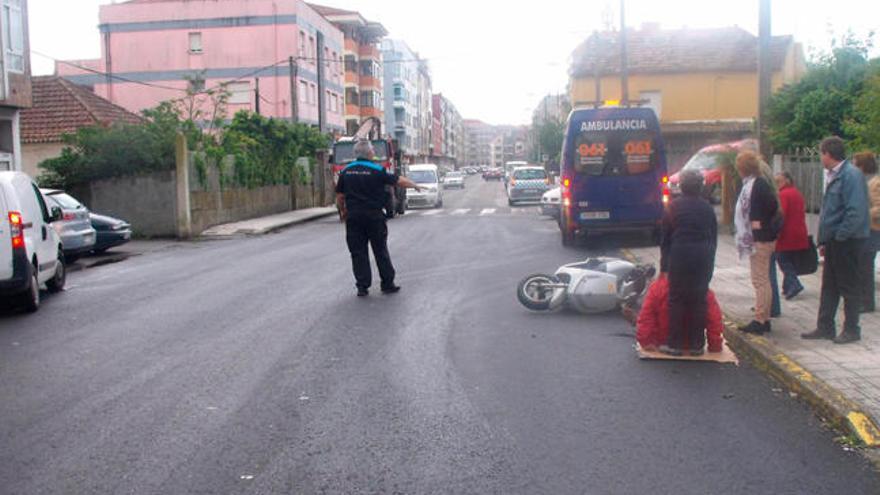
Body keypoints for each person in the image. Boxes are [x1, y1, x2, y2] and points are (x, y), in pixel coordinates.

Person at [802, 137, 870, 344]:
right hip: (834, 240)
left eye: (821, 153)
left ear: (828, 154)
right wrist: (825, 239)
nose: (821, 157)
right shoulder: (835, 175)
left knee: (849, 285)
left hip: (847, 241)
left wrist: (840, 235)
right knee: (829, 285)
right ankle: (825, 326)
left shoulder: (850, 176)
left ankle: (851, 329)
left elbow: (855, 211)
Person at [336, 139, 422, 297]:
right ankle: (387, 283)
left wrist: (343, 212)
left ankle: (362, 286)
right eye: (373, 151)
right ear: (369, 153)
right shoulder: (376, 169)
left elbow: (340, 196)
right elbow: (397, 180)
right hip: (374, 216)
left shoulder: (346, 171)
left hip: (354, 217)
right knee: (380, 250)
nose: (374, 153)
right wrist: (414, 185)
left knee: (358, 252)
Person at [659, 169, 717, 356]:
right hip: (703, 256)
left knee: (676, 299)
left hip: (681, 254)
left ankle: (675, 344)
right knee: (699, 300)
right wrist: (710, 259)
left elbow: (665, 239)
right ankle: (697, 344)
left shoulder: (673, 207)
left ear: (682, 186)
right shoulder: (708, 208)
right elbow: (713, 237)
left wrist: (664, 267)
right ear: (700, 187)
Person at [735, 151, 780, 335]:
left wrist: (758, 223)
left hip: (760, 238)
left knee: (760, 280)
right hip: (759, 237)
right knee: (762, 279)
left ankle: (761, 319)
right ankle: (764, 317)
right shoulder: (756, 183)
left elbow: (770, 206)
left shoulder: (757, 185)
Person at [636, 272, 724, 354]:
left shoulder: (657, 287)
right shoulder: (704, 291)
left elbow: (646, 316)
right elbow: (714, 320)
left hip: (663, 343)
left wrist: (646, 341)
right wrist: (715, 346)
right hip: (691, 345)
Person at [774, 171, 810, 300]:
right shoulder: (796, 192)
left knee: (783, 260)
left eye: (779, 181)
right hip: (799, 231)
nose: (776, 184)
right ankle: (787, 286)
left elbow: (781, 215)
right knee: (790, 259)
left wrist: (775, 231)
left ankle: (794, 284)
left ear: (787, 181)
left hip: (787, 234)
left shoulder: (783, 194)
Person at [854, 152, 879, 313]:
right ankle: (863, 298)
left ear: (862, 166)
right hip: (865, 229)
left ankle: (867, 301)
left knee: (865, 264)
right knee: (862, 264)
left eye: (855, 164)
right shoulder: (864, 180)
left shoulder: (875, 183)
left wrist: (864, 214)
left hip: (873, 229)